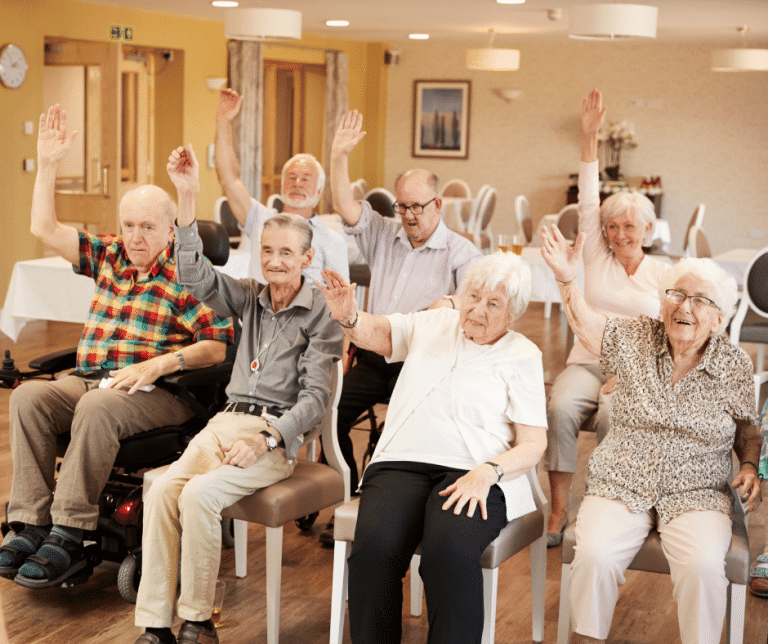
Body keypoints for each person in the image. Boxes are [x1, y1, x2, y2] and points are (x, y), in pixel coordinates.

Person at [0, 105, 233, 590]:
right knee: (27, 396)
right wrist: (47, 163)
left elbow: (218, 346)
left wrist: (160, 364)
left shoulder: (189, 275)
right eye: (128, 225)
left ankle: (69, 531)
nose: (135, 236)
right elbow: (45, 228)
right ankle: (30, 524)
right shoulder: (109, 255)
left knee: (100, 406)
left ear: (172, 229)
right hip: (93, 381)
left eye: (147, 227)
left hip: (160, 391)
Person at [133, 145, 343, 644]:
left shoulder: (321, 314)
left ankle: (198, 621)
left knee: (201, 494)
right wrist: (188, 197)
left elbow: (314, 400)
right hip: (224, 422)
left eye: (286, 253)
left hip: (274, 437)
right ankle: (156, 625)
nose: (274, 261)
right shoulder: (249, 296)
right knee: (162, 490)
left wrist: (268, 440)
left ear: (307, 259)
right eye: (267, 251)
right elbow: (193, 276)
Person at [540, 223, 762, 644]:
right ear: (663, 303)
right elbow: (587, 328)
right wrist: (567, 278)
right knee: (595, 554)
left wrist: (749, 464)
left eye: (700, 300)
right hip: (622, 478)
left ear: (718, 318)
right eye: (676, 294)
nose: (685, 307)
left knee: (701, 566)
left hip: (697, 488)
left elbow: (747, 429)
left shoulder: (732, 364)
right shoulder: (637, 336)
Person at [317, 251, 547, 644]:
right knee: (373, 552)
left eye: (494, 304)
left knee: (448, 555)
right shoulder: (435, 322)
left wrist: (489, 472)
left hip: (473, 472)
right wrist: (350, 316)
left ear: (513, 315)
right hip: (400, 463)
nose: (477, 310)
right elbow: (381, 333)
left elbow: (533, 443)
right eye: (473, 296)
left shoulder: (522, 353)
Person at [326, 109, 482, 512]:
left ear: (438, 204)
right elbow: (345, 204)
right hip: (373, 356)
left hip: (420, 365)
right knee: (331, 419)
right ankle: (346, 499)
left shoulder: (461, 253)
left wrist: (448, 302)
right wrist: (338, 156)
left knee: (395, 436)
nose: (410, 216)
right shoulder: (384, 234)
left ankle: (375, 503)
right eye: (403, 207)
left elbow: (476, 303)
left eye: (418, 207)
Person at [544, 89, 668, 547]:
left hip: (633, 371)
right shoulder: (598, 255)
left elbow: (670, 337)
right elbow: (590, 196)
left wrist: (628, 370)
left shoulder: (662, 275)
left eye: (629, 227)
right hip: (586, 360)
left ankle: (601, 505)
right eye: (613, 226)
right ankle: (558, 509)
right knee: (559, 409)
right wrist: (589, 138)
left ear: (649, 232)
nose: (619, 234)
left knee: (613, 419)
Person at [214, 88, 349, 285]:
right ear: (282, 185)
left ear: (319, 191)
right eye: (291, 177)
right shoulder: (260, 219)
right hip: (260, 313)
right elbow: (228, 179)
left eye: (306, 179)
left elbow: (342, 300)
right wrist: (224, 122)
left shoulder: (332, 241)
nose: (297, 184)